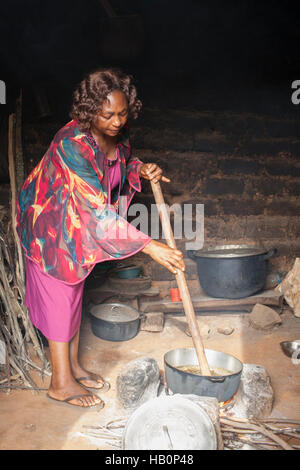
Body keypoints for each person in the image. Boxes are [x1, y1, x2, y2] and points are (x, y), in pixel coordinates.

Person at [16, 68, 185, 409]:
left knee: (76, 291)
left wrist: (140, 168)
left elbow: (119, 163)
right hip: (49, 221)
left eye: (122, 113)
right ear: (90, 111)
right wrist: (150, 246)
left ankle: (72, 367)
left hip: (78, 223)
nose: (116, 122)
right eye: (107, 115)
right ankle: (59, 382)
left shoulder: (118, 136)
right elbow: (96, 209)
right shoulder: (71, 144)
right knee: (60, 296)